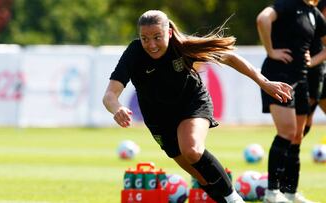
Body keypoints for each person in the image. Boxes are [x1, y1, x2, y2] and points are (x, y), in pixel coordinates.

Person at [103, 10, 292, 203]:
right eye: (145, 38)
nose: (151, 44)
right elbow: (110, 94)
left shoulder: (182, 47)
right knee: (202, 177)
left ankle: (236, 201)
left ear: (168, 32)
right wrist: (117, 108)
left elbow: (230, 58)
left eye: (157, 37)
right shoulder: (134, 53)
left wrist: (264, 82)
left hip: (192, 103)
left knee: (192, 149)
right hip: (159, 120)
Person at [256, 0, 326, 202]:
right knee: (286, 132)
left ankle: (290, 192)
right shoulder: (287, 4)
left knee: (297, 136)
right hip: (279, 75)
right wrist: (271, 51)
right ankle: (272, 192)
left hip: (301, 78)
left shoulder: (313, 13)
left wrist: (312, 61)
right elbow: (262, 19)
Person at [305, 0, 326, 136]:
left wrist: (311, 62)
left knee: (305, 117)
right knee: (304, 119)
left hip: (316, 72)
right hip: (302, 72)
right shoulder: (306, 11)